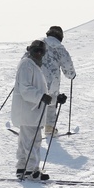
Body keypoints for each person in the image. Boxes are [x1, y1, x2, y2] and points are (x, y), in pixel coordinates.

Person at [12, 40, 65, 180]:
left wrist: (55, 99)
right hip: (28, 111)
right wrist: (41, 97)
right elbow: (25, 90)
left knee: (27, 141)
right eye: (36, 50)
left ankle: (22, 168)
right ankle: (31, 171)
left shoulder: (33, 65)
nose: (39, 54)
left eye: (42, 52)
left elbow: (41, 92)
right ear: (30, 50)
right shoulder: (26, 65)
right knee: (31, 142)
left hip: (33, 111)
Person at [41, 26, 76, 136]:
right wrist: (72, 75)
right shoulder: (61, 49)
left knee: (35, 99)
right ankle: (49, 127)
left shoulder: (39, 43)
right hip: (52, 81)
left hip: (36, 78)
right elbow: (68, 69)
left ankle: (30, 126)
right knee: (51, 102)